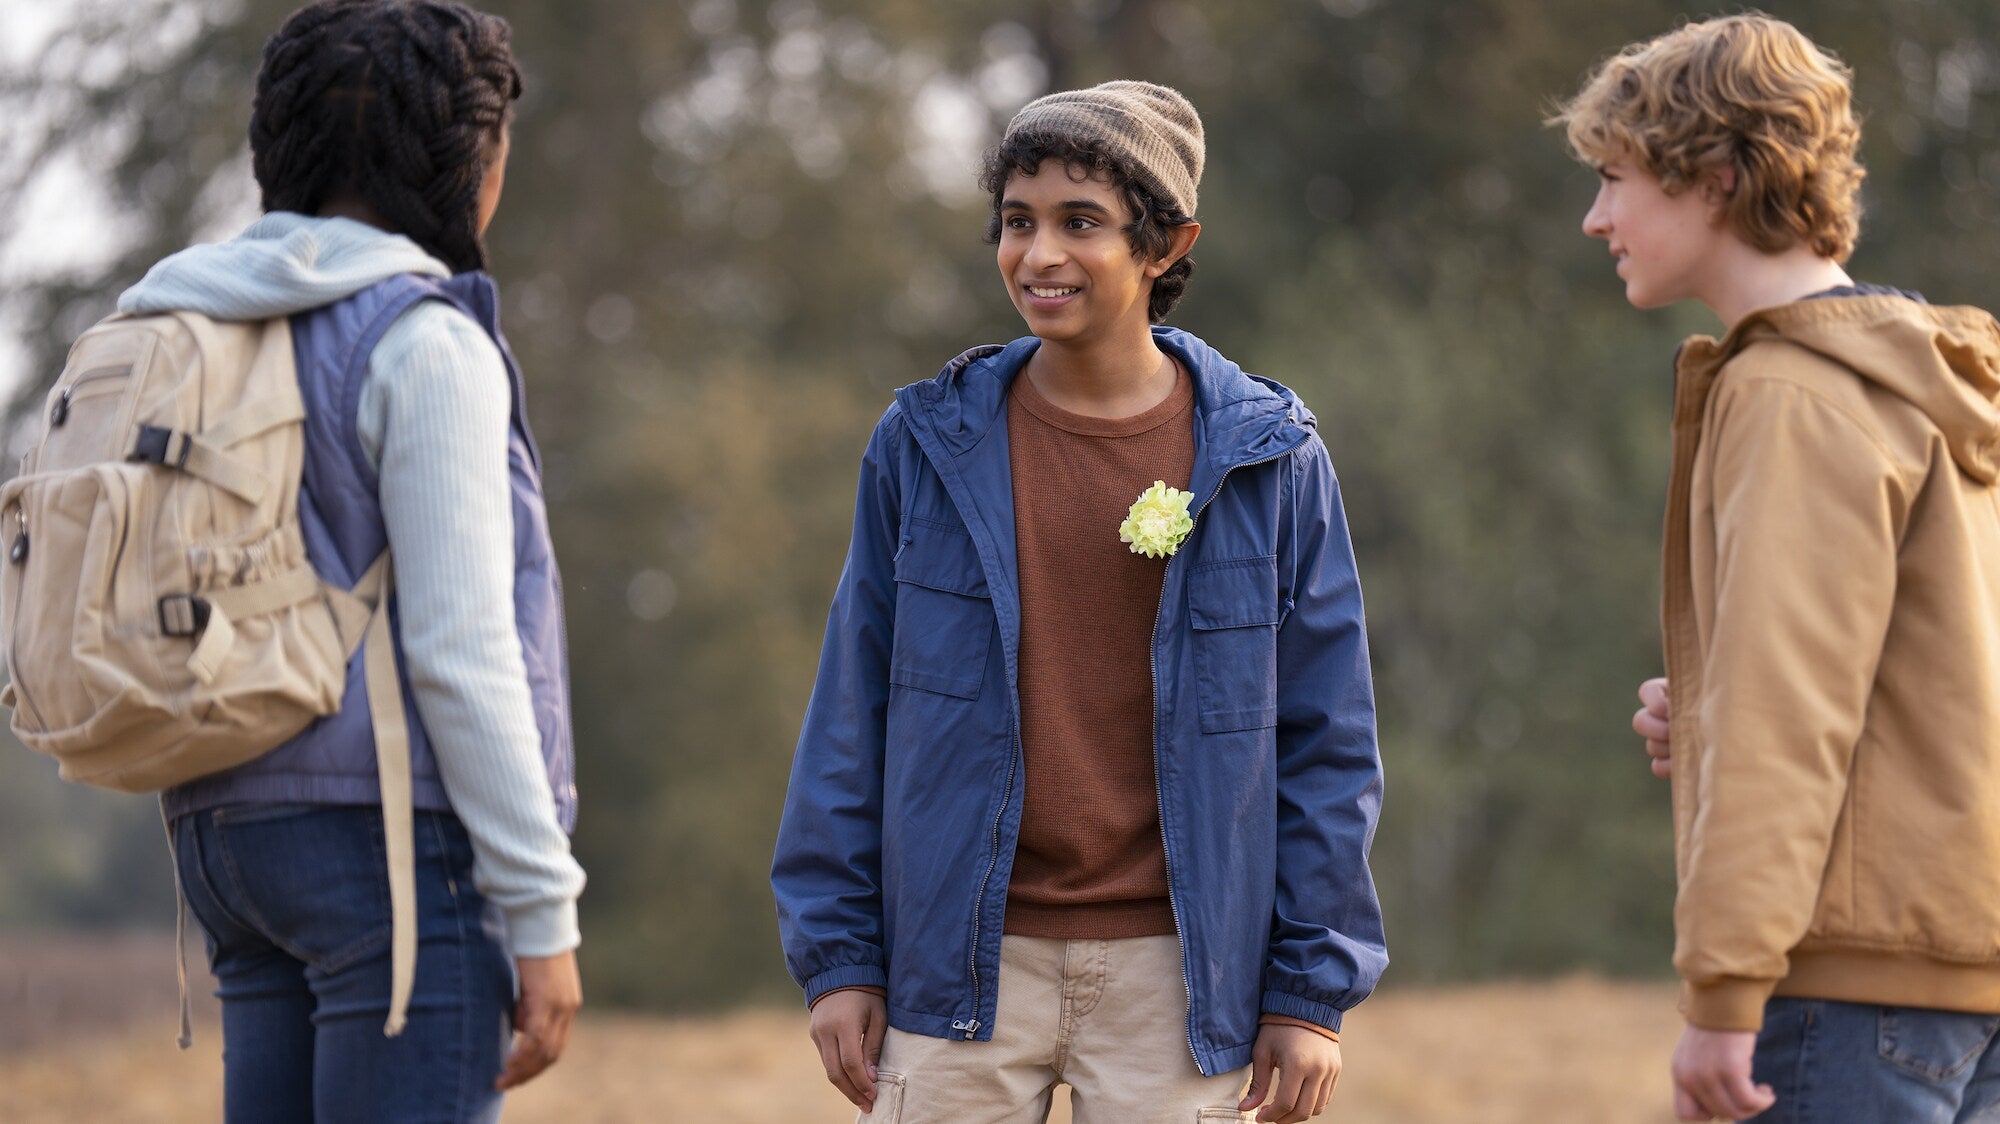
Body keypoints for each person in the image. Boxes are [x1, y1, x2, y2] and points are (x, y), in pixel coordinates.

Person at [771, 80, 1386, 1124]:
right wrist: (838, 957)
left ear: (1164, 242)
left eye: (1079, 222)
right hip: (955, 971)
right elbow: (850, 711)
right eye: (1017, 221)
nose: (1037, 254)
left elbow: (1326, 743)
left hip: (1181, 982)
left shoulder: (1270, 460)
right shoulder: (923, 445)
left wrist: (1307, 990)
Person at [116, 1, 585, 1117]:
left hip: (221, 831)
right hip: (384, 847)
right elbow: (461, 649)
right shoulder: (422, 340)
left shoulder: (193, 323)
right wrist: (541, 909)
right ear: (465, 155)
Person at [1555, 14, 2000, 1122]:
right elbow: (1920, 680)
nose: (1594, 215)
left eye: (1615, 178)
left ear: (1713, 177)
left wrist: (1723, 983)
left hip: (1847, 991)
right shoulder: (1932, 389)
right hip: (1967, 975)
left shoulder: (1784, 394)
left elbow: (1785, 709)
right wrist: (1705, 709)